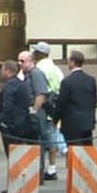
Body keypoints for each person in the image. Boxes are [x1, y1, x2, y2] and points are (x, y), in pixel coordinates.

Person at [17, 49, 55, 180]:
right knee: (31, 142)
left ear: (30, 61)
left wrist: (34, 111)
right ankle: (33, 172)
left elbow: (40, 95)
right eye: (18, 61)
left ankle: (38, 174)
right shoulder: (25, 75)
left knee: (37, 142)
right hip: (29, 112)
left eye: (22, 61)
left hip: (37, 113)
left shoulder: (36, 74)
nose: (19, 63)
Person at [32, 42, 64, 175]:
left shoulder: (38, 68)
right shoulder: (56, 69)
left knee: (39, 136)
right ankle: (52, 167)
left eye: (35, 52)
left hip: (42, 104)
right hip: (54, 105)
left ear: (40, 54)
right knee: (52, 135)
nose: (33, 54)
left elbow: (37, 88)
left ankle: (39, 168)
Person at [56, 50, 97, 146]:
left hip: (71, 124)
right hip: (87, 122)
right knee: (87, 151)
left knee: (73, 152)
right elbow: (93, 101)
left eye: (68, 60)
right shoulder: (91, 80)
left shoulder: (67, 81)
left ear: (72, 62)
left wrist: (55, 119)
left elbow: (61, 103)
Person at [0, 59, 34, 155]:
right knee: (19, 153)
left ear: (8, 70)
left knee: (11, 153)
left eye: (3, 70)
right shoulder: (22, 84)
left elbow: (7, 105)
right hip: (22, 123)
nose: (1, 72)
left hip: (11, 126)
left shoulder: (9, 85)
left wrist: (2, 121)